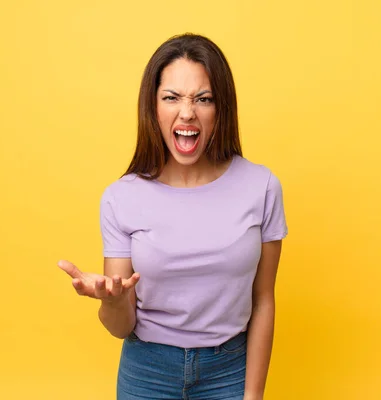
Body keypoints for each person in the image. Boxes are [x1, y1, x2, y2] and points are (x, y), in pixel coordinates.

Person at [58, 33, 288, 400]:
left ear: (221, 108)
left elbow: (263, 300)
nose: (187, 112)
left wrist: (253, 396)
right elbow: (120, 327)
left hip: (230, 372)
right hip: (147, 373)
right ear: (153, 107)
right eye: (172, 98)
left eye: (203, 99)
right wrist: (113, 302)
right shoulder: (121, 197)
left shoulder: (262, 187)